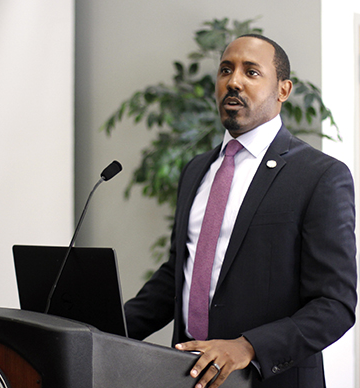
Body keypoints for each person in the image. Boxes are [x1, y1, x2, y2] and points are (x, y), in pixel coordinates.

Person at [124, 34, 357, 388]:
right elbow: (179, 274)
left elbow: (334, 304)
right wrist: (100, 330)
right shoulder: (196, 170)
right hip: (189, 376)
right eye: (225, 70)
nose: (233, 81)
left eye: (251, 72)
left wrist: (248, 347)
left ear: (283, 90)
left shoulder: (320, 175)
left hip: (271, 380)